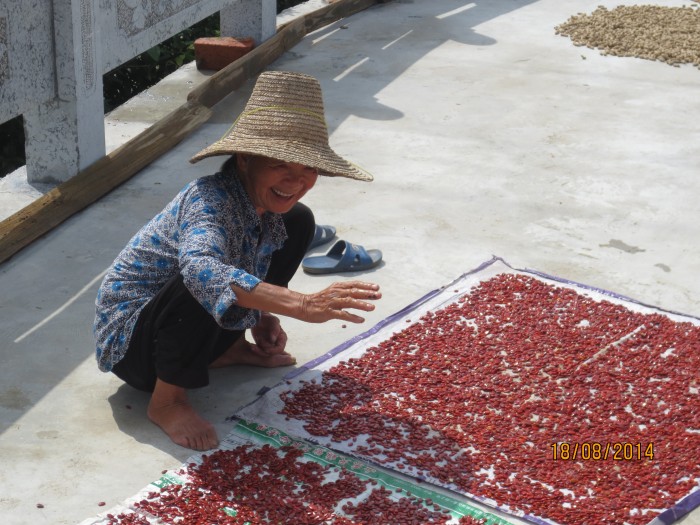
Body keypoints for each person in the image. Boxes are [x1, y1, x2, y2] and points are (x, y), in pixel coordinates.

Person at [94, 71, 381, 451]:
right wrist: (302, 305)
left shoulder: (266, 208)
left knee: (298, 221)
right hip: (136, 348)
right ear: (245, 160)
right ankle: (167, 401)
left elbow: (256, 258)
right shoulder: (209, 201)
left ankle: (225, 348)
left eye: (308, 169)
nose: (295, 182)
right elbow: (200, 269)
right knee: (199, 275)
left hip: (187, 332)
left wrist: (263, 316)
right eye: (281, 165)